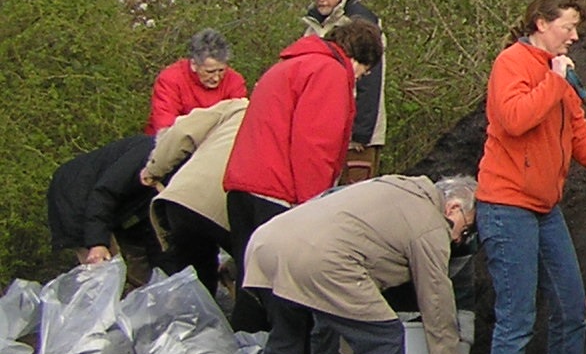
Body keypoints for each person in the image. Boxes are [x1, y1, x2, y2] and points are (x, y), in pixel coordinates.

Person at [474, 0, 586, 354]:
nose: (574, 36)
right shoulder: (512, 65)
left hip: (543, 207)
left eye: (576, 28)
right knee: (516, 316)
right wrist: (554, 81)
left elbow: (580, 139)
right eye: (567, 26)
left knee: (572, 306)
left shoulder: (560, 76)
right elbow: (512, 118)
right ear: (541, 22)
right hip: (505, 204)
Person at [242, 174, 476, 354]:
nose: (459, 240)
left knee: (286, 339)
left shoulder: (389, 189)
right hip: (321, 260)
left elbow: (352, 303)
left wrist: (353, 352)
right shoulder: (430, 224)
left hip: (268, 244)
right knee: (385, 341)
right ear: (453, 207)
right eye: (465, 230)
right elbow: (435, 297)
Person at [221, 20, 386, 307]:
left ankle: (246, 349)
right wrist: (314, 207)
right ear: (360, 57)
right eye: (363, 72)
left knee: (251, 292)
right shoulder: (329, 72)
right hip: (278, 194)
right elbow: (314, 145)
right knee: (285, 302)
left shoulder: (290, 64)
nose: (359, 79)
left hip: (244, 187)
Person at [142, 97, 249, 296]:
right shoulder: (288, 122)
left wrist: (154, 168)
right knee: (252, 277)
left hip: (182, 199)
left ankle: (192, 321)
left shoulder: (238, 107)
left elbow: (182, 131)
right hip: (231, 207)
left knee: (194, 281)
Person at [304, 0, 387, 183]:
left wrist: (360, 132)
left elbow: (371, 79)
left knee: (354, 195)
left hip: (357, 134)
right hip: (324, 130)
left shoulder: (362, 22)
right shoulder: (313, 26)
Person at [46, 134, 158, 266]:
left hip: (124, 211)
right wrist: (97, 243)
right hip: (76, 195)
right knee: (101, 267)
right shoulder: (147, 153)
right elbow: (104, 193)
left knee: (141, 266)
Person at [145, 29, 247, 134]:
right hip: (173, 142)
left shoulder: (235, 81)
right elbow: (164, 125)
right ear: (194, 64)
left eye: (221, 70)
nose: (216, 78)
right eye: (210, 72)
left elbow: (238, 122)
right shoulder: (170, 79)